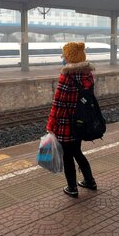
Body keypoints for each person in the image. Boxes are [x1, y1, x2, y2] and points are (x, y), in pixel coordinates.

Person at [46, 42, 97, 198]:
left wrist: (50, 125)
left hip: (65, 124)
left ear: (69, 57)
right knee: (77, 151)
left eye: (64, 55)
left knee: (67, 155)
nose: (63, 58)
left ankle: (72, 187)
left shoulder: (67, 76)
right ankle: (89, 181)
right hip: (80, 122)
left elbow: (58, 105)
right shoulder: (88, 75)